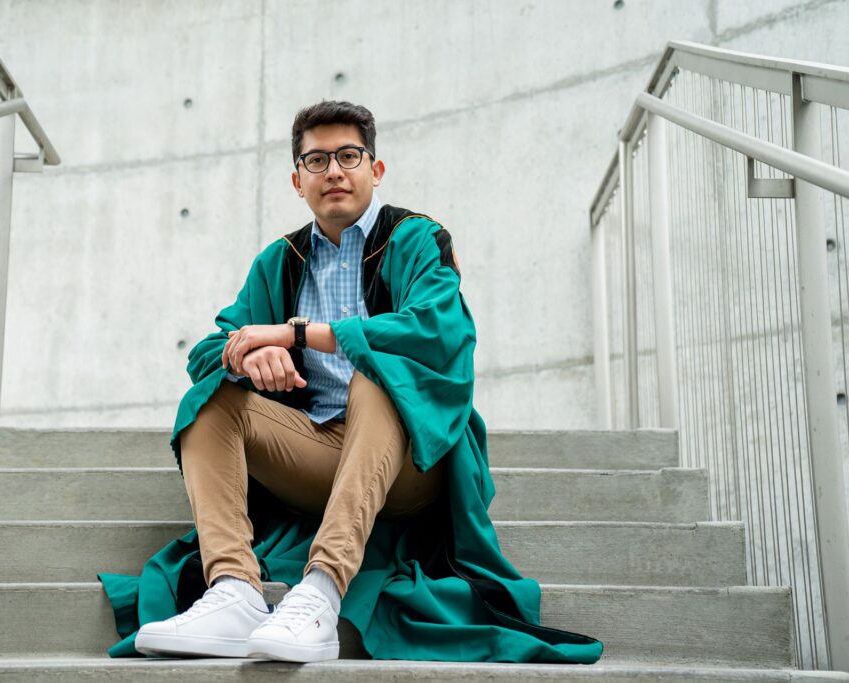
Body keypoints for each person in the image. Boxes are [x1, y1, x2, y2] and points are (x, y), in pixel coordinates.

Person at [97, 100, 603, 665]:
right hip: (318, 453)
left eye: (348, 155)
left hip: (412, 464)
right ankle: (234, 592)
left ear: (375, 169)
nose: (333, 170)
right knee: (211, 396)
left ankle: (320, 593)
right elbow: (213, 347)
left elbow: (433, 331)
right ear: (298, 180)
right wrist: (248, 357)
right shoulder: (279, 261)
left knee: (378, 372)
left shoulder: (416, 239)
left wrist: (296, 335)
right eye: (316, 160)